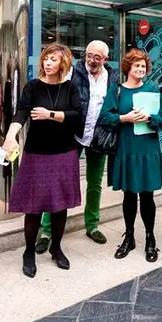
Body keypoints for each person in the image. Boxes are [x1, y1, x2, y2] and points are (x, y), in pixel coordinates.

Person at [2, 43, 82, 278]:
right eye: (46, 58)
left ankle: (56, 248)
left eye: (53, 59)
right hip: (36, 154)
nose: (47, 63)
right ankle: (28, 251)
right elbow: (21, 112)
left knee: (60, 206)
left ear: (63, 63)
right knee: (33, 206)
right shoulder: (33, 87)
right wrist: (10, 136)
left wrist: (51, 115)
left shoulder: (71, 88)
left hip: (65, 152)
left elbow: (78, 117)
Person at [35, 40, 118, 252]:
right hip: (72, 135)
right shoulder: (73, 72)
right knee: (58, 181)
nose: (91, 60)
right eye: (89, 55)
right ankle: (46, 230)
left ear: (105, 59)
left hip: (98, 137)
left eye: (96, 57)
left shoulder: (113, 77)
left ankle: (92, 225)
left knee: (95, 183)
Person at [98, 49, 162, 262]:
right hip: (126, 149)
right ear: (128, 67)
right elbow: (105, 117)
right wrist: (124, 118)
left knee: (147, 196)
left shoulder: (153, 89)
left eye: (143, 66)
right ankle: (129, 237)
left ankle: (150, 237)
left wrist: (149, 118)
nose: (140, 69)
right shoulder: (117, 90)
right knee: (129, 195)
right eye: (136, 65)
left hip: (147, 149)